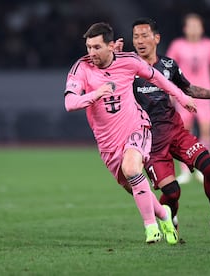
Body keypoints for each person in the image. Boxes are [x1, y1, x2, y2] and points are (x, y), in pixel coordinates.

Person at [64, 22, 197, 244]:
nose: (91, 53)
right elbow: (70, 102)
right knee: (133, 184)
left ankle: (151, 228)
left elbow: (158, 78)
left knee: (132, 168)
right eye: (88, 47)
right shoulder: (82, 68)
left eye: (97, 47)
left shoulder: (129, 62)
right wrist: (95, 94)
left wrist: (182, 98)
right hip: (107, 144)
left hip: (136, 127)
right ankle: (164, 215)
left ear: (111, 46)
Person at [117, 17, 210, 240]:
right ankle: (171, 222)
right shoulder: (127, 68)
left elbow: (189, 88)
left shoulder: (168, 65)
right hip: (150, 141)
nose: (139, 40)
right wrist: (114, 57)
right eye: (135, 36)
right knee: (172, 193)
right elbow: (104, 71)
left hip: (176, 131)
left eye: (144, 35)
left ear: (156, 38)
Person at [166, 13, 210, 184]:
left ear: (202, 28)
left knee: (206, 129)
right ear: (185, 28)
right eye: (190, 25)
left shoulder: (209, 45)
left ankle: (203, 167)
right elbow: (167, 69)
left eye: (196, 25)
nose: (193, 29)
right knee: (185, 131)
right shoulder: (177, 45)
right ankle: (185, 170)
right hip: (184, 93)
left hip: (204, 93)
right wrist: (170, 92)